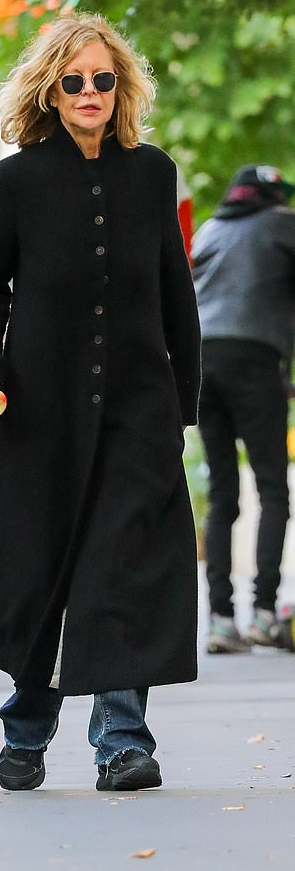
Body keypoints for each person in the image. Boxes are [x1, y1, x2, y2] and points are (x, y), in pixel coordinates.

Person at [0, 13, 201, 793]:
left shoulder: (153, 172)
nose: (90, 92)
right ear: (51, 91)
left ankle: (123, 740)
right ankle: (28, 727)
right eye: (74, 80)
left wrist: (183, 407)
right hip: (40, 413)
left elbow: (175, 292)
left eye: (103, 79)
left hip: (138, 408)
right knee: (43, 568)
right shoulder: (17, 179)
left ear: (119, 86)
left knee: (124, 569)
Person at [191, 165, 295, 653]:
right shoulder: (282, 223)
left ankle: (220, 620)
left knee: (223, 491)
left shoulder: (211, 227)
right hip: (254, 359)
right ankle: (265, 613)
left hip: (202, 363)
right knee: (273, 488)